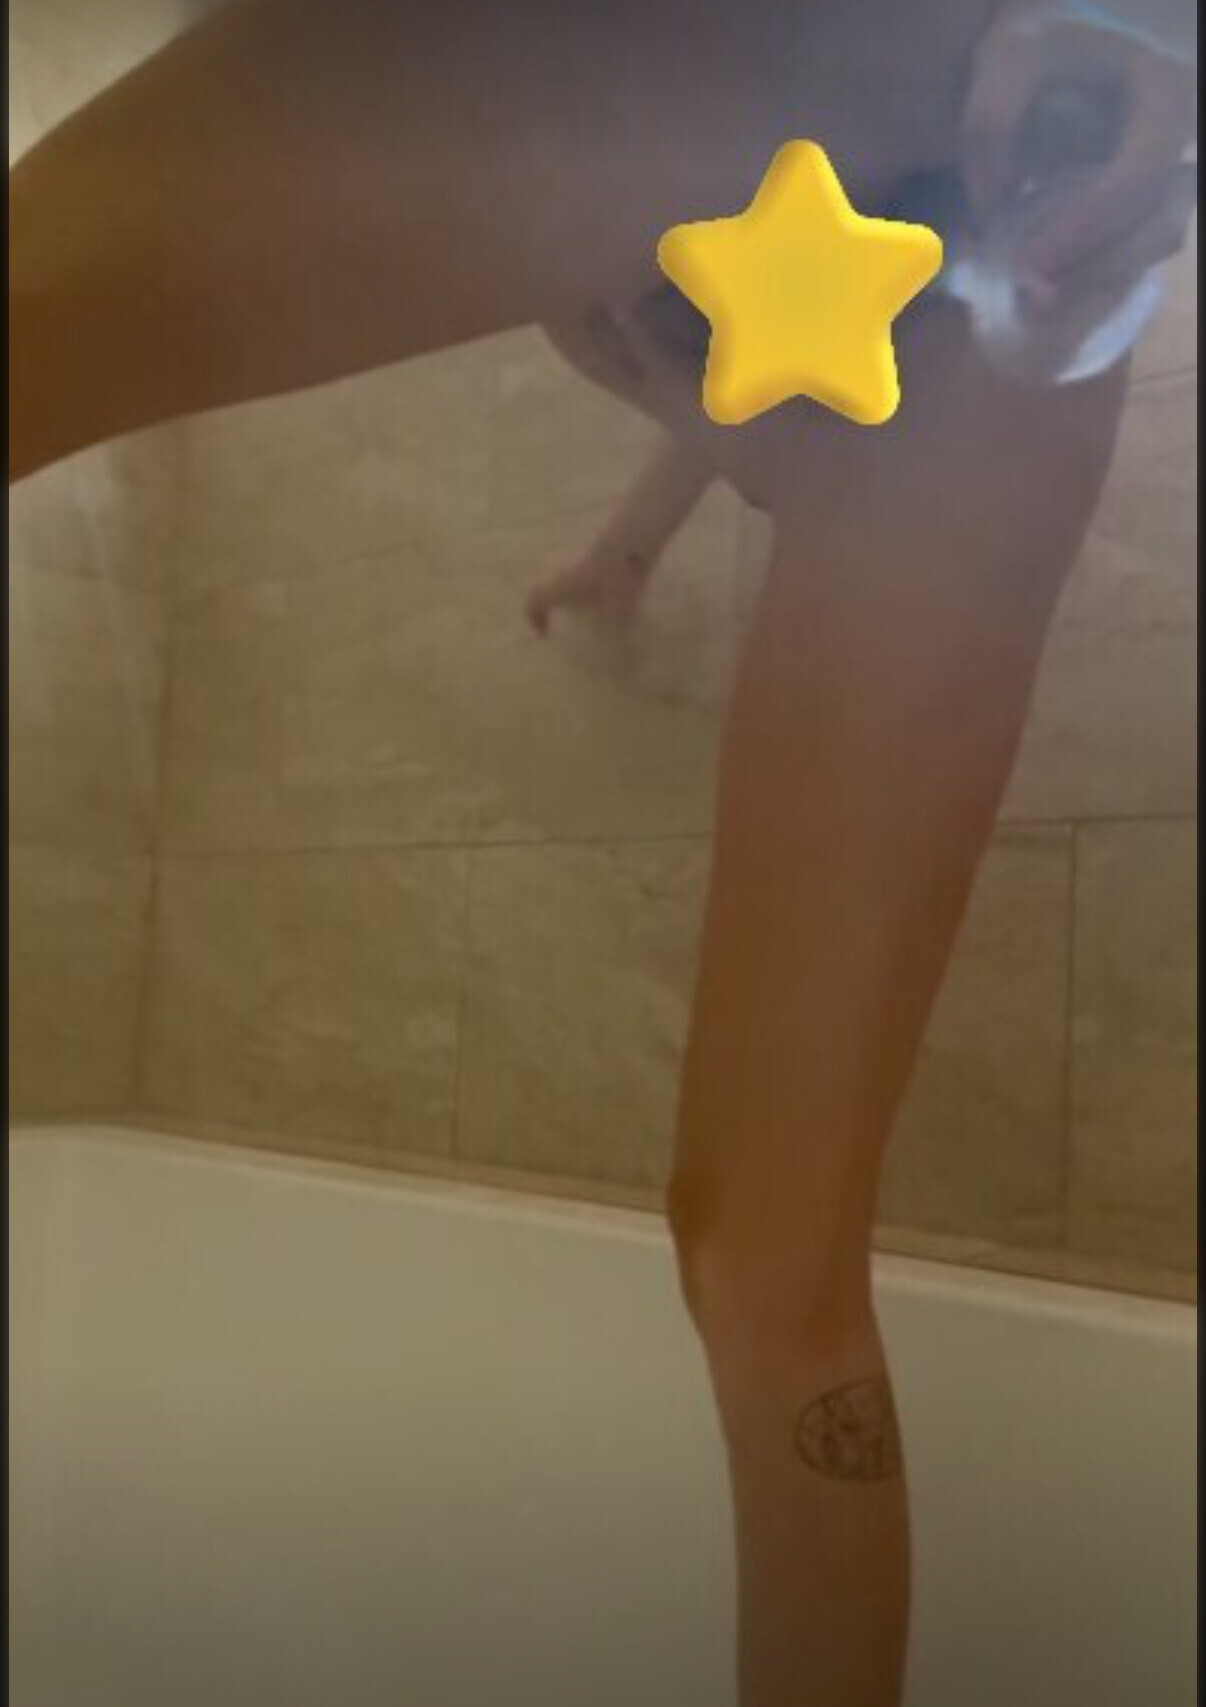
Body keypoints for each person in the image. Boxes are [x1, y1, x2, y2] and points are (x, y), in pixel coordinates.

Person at [8, 3, 1195, 1703]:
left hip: (951, 112)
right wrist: (635, 540)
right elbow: (771, 326)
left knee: (766, 1259)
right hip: (988, 193)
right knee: (770, 1265)